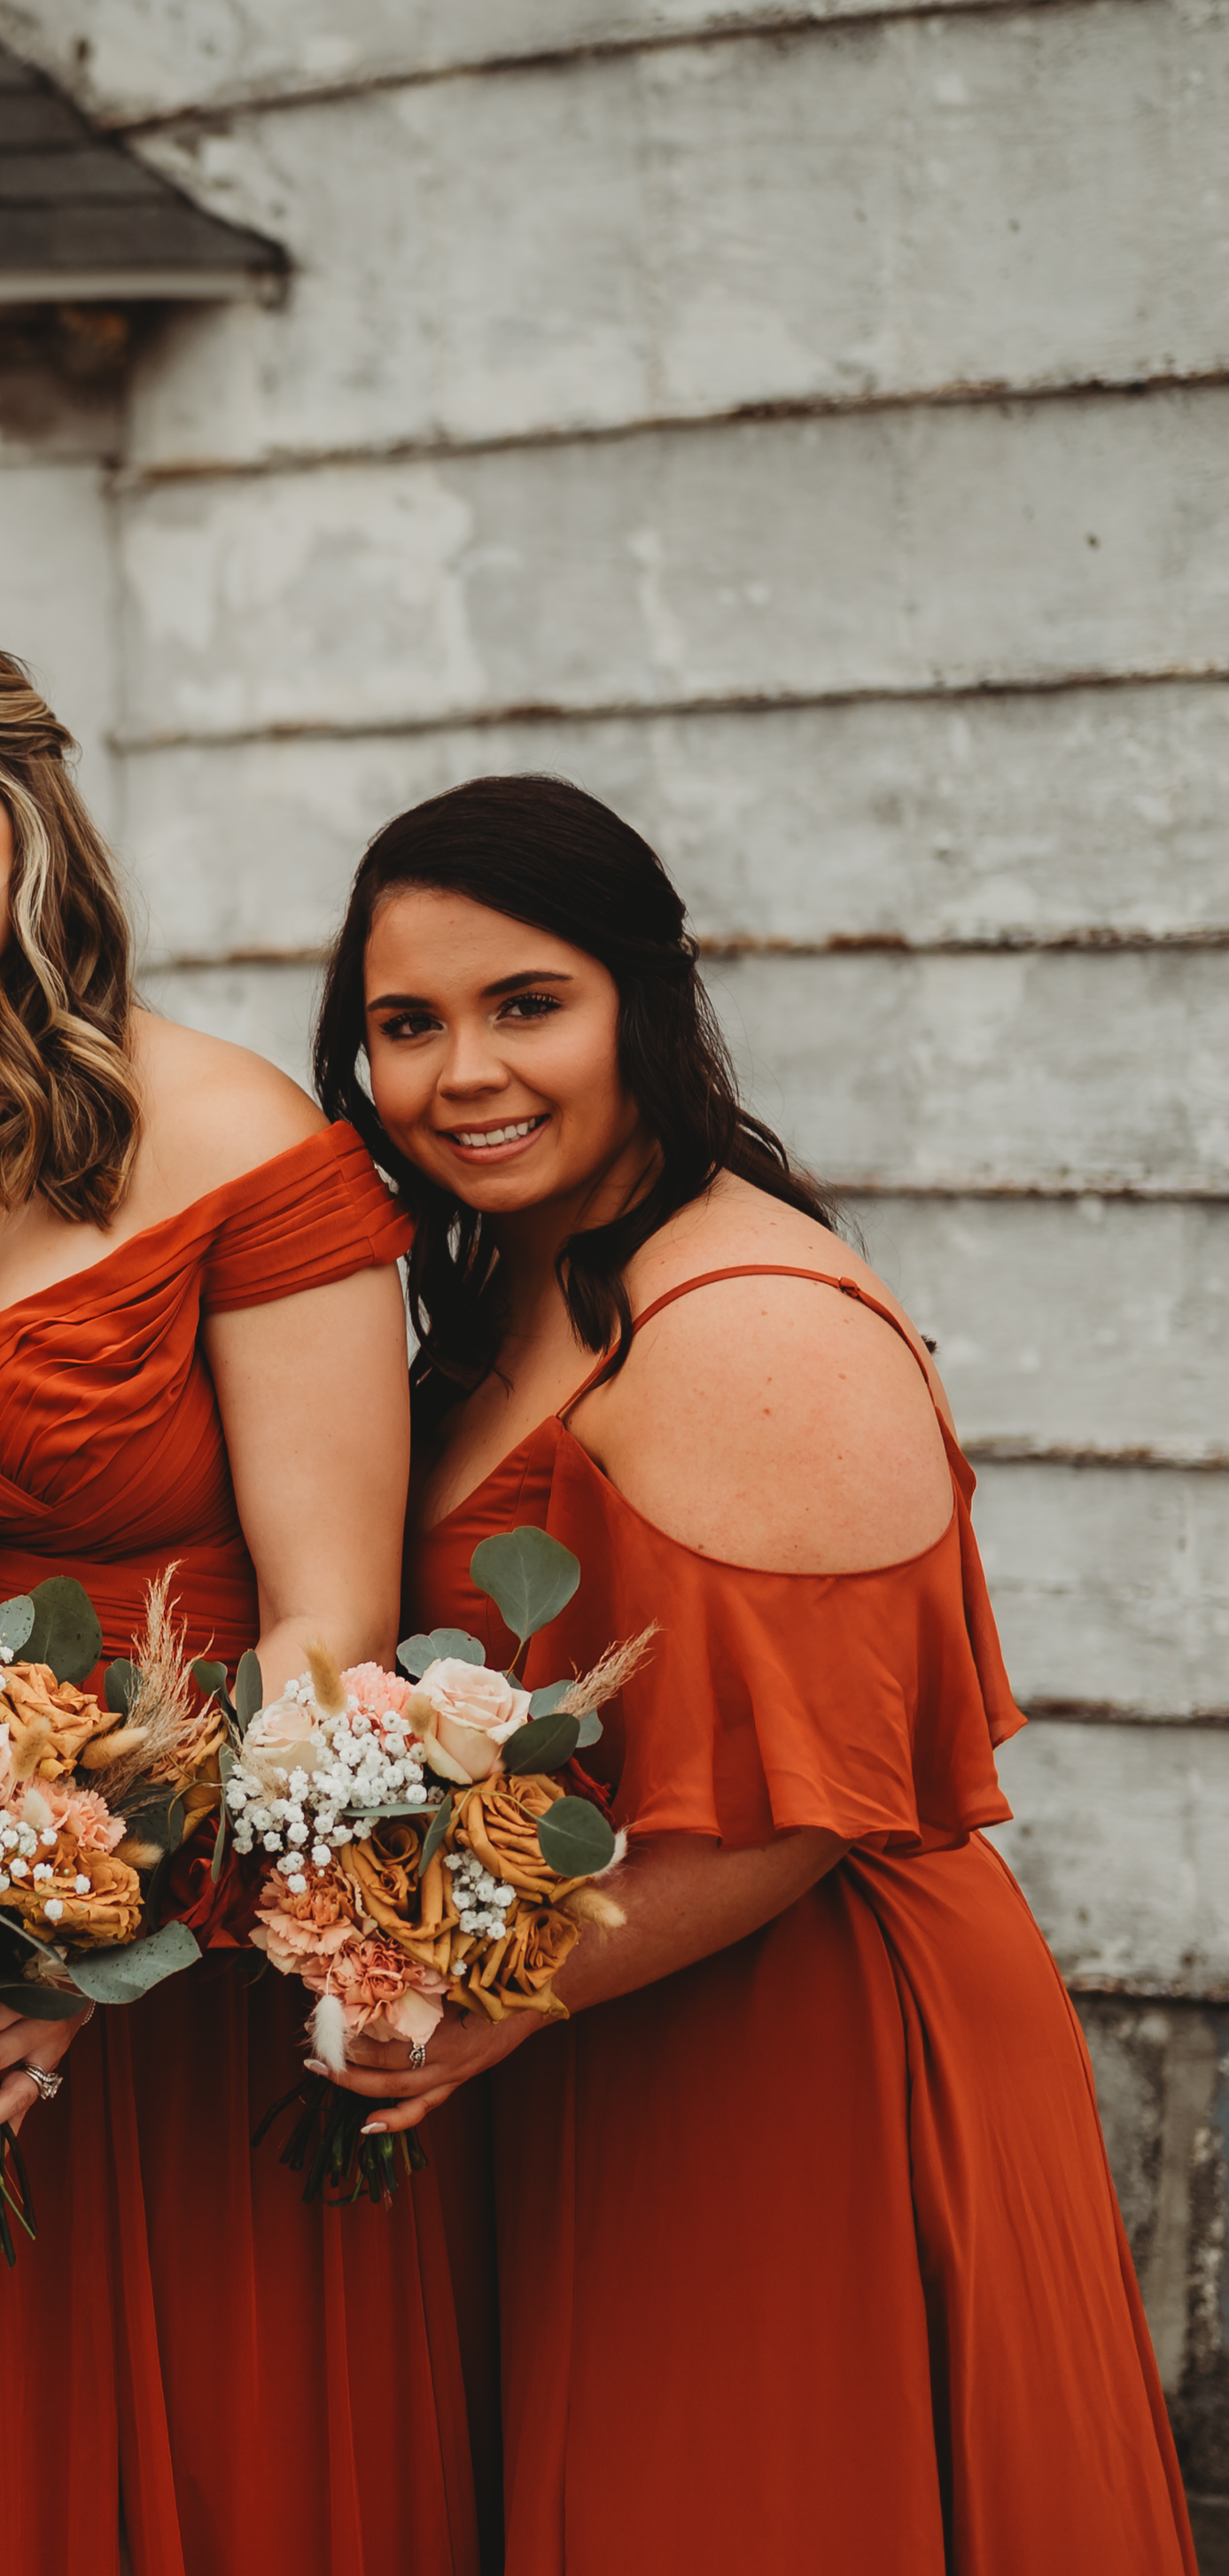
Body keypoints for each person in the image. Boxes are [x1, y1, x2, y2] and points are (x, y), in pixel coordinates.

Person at [307, 774, 1191, 2571]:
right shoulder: (513, 1289)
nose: (460, 1071)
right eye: (406, 1024)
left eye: (524, 1004)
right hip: (622, 2007)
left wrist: (478, 1991)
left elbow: (807, 1810)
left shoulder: (751, 1320)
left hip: (797, 2032)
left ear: (643, 998)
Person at [0, 630, 482, 2572]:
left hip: (188, 1969)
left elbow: (329, 1625)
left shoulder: (227, 1132)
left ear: (28, 825)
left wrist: (91, 1929)